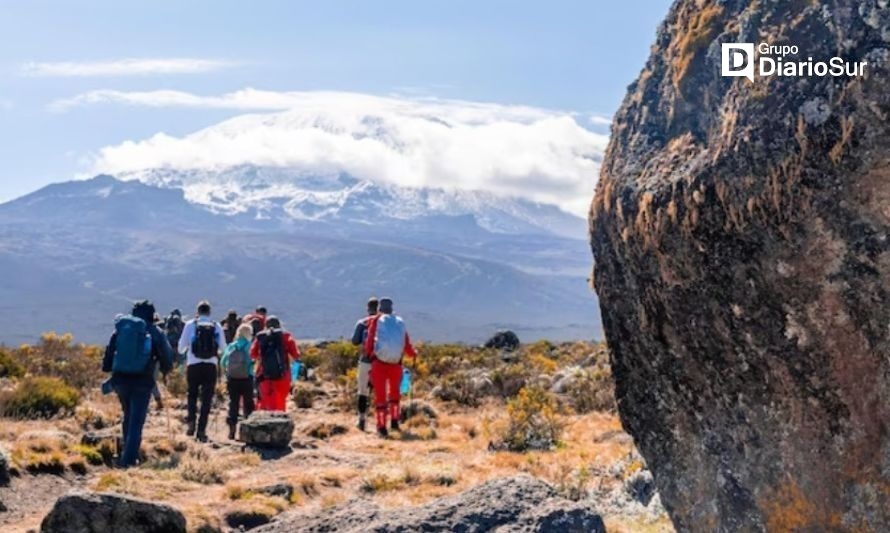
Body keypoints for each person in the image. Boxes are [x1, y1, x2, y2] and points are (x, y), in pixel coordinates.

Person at [102, 300, 174, 467]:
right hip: (143, 381)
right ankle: (128, 461)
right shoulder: (156, 332)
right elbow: (167, 356)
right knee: (136, 421)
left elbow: (110, 352)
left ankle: (125, 453)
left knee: (127, 415)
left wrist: (108, 369)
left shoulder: (122, 329)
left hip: (120, 379)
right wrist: (165, 371)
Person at [364, 297, 417, 437]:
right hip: (396, 365)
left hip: (379, 364)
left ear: (380, 309)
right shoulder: (399, 322)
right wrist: (413, 354)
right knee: (395, 394)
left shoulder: (376, 320)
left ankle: (381, 427)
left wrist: (369, 354)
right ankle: (394, 421)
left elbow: (370, 340)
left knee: (380, 397)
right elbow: (406, 343)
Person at [178, 300, 227, 442]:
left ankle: (191, 423)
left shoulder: (190, 325)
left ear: (197, 312)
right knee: (207, 399)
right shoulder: (216, 326)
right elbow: (224, 348)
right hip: (210, 366)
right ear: (209, 312)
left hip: (193, 365)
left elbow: (181, 348)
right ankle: (201, 430)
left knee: (192, 395)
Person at [250, 316, 299, 411]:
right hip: (283, 374)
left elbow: (252, 354)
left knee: (265, 402)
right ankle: (280, 421)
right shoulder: (286, 336)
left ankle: (263, 422)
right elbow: (296, 355)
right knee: (280, 401)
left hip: (264, 375)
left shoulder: (261, 337)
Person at [221, 323, 255, 440]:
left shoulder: (232, 346)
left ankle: (232, 430)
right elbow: (254, 360)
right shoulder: (250, 346)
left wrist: (227, 372)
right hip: (247, 378)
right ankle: (249, 430)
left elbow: (223, 361)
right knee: (248, 404)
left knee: (233, 403)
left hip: (232, 378)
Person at [350, 297, 379, 431]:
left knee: (363, 391)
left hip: (366, 361)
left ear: (368, 308)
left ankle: (362, 419)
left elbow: (355, 341)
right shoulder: (384, 323)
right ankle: (381, 421)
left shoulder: (362, 323)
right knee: (381, 392)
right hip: (381, 362)